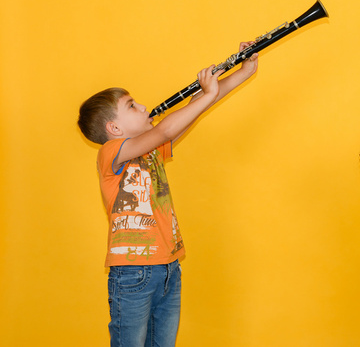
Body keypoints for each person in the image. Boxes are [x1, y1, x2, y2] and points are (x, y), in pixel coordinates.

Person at [77, 42, 258, 347]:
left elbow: (191, 115)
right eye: (132, 106)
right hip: (132, 275)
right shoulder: (110, 153)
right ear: (114, 128)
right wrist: (205, 95)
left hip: (169, 269)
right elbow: (164, 131)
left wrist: (243, 72)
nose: (145, 107)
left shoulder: (150, 150)